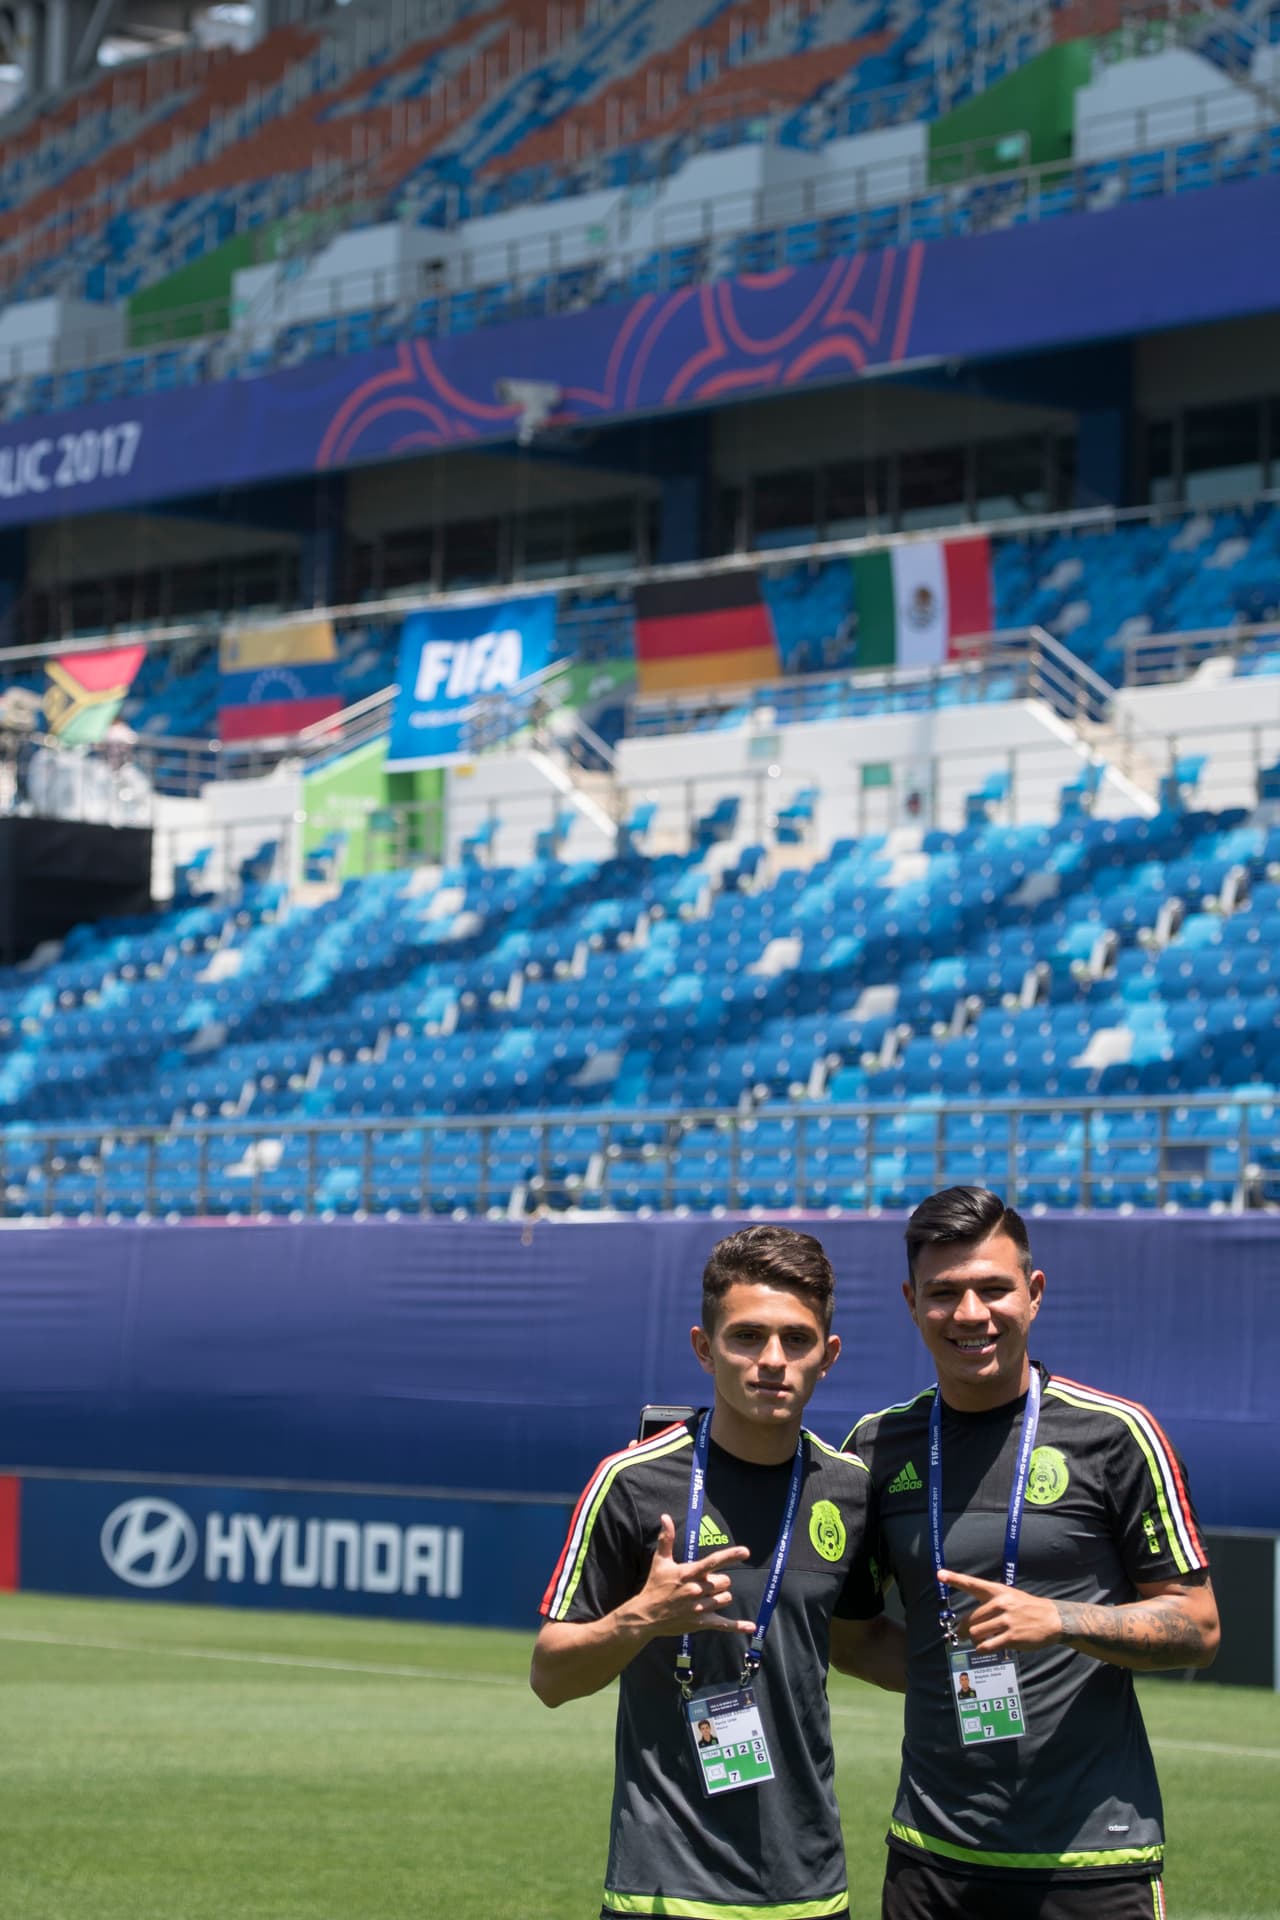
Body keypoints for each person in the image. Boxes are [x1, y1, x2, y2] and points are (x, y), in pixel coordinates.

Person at [844, 1186, 1220, 1920]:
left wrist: (1058, 1622)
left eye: (993, 1288)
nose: (971, 1314)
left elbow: (1198, 1628)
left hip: (1091, 1862)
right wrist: (945, 1676)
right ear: (911, 1302)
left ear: (1034, 1293)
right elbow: (852, 1638)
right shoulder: (877, 1446)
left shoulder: (1115, 1435)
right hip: (930, 1859)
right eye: (944, 1292)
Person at [531, 1223, 905, 1920]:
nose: (772, 1360)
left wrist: (1030, 1656)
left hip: (811, 1895)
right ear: (705, 1349)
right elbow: (550, 1676)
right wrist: (643, 1617)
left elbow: (857, 1641)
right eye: (746, 1337)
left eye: (797, 1340)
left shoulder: (850, 1489)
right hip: (662, 1893)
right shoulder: (632, 1483)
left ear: (828, 1356)